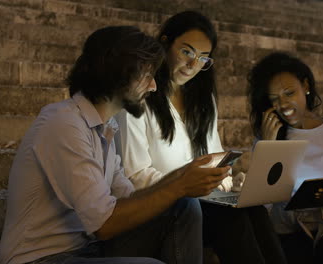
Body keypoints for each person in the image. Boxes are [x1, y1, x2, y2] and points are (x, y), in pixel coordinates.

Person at [0, 26, 231, 264]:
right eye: (146, 75)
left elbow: (129, 197)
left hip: (87, 249)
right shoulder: (64, 122)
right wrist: (180, 185)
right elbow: (104, 224)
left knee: (184, 208)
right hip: (40, 258)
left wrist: (184, 174)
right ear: (117, 72)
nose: (153, 86)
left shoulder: (105, 129)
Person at [111, 11, 287, 264]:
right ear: (165, 42)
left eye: (203, 58)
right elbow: (136, 177)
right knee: (230, 216)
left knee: (253, 209)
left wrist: (233, 175)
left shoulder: (204, 102)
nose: (193, 65)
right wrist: (190, 185)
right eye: (186, 52)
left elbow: (215, 164)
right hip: (161, 208)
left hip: (203, 202)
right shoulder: (138, 98)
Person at [248, 51, 323, 264]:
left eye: (289, 93)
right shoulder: (268, 138)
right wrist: (268, 147)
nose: (283, 104)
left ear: (305, 86)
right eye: (274, 99)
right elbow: (260, 205)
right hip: (287, 234)